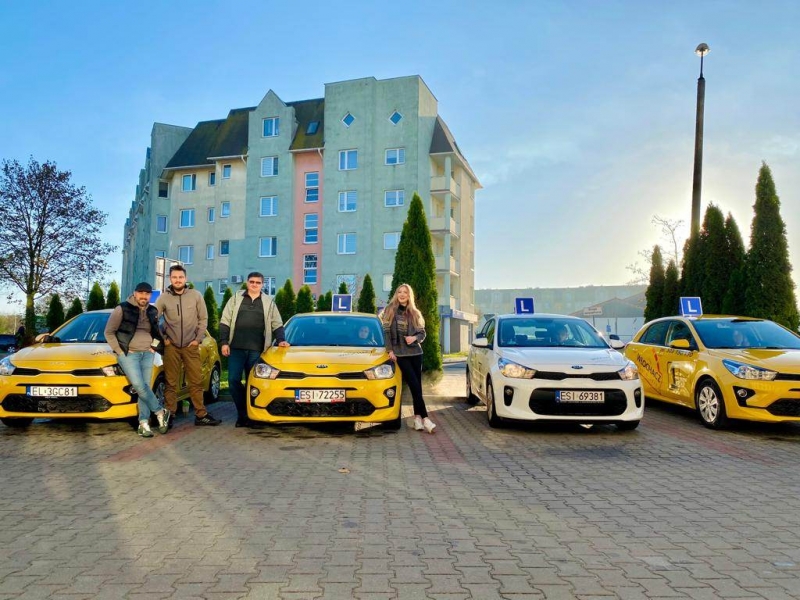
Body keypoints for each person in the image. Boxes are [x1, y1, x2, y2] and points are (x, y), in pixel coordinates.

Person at [219, 272, 288, 427]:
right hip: (236, 348)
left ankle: (251, 418)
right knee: (233, 381)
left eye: (258, 282)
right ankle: (243, 414)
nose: (254, 284)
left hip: (257, 351)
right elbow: (225, 321)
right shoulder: (236, 298)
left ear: (262, 284)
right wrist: (223, 342)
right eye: (252, 282)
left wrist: (281, 340)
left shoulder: (269, 302)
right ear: (247, 283)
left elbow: (277, 323)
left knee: (254, 384)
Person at [155, 265, 221, 426]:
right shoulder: (163, 298)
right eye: (174, 277)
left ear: (185, 279)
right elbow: (153, 319)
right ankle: (170, 415)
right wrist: (164, 339)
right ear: (170, 279)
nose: (178, 280)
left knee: (196, 381)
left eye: (180, 277)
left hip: (191, 346)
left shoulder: (196, 295)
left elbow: (203, 319)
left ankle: (201, 415)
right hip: (172, 346)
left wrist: (197, 339)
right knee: (171, 383)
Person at [104, 282, 169, 438]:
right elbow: (109, 332)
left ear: (150, 296)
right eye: (141, 293)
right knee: (139, 386)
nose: (143, 296)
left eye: (147, 294)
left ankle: (143, 424)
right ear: (135, 293)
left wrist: (153, 347)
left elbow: (156, 333)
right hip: (129, 355)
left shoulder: (153, 311)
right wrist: (120, 351)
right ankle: (160, 411)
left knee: (144, 388)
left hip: (147, 354)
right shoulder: (122, 309)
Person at [380, 283, 435, 434]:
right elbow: (386, 332)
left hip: (416, 353)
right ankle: (426, 419)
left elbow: (422, 333)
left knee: (417, 387)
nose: (402, 294)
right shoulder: (389, 310)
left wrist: (414, 338)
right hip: (400, 354)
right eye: (400, 292)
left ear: (409, 295)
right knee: (414, 386)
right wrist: (390, 350)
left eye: (405, 292)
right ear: (396, 294)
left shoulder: (415, 313)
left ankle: (417, 419)